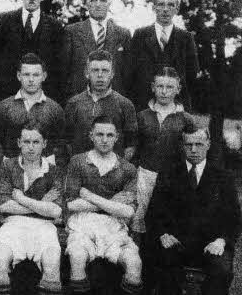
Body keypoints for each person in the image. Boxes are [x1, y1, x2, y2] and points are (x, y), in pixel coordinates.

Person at [146, 126, 241, 295]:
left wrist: (221, 241)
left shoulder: (223, 177)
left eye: (199, 144)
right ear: (182, 146)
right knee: (163, 264)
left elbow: (234, 218)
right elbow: (153, 212)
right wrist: (163, 234)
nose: (194, 149)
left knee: (221, 271)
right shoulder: (169, 174)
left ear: (208, 144)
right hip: (176, 241)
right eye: (189, 145)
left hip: (211, 243)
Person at [64, 115, 142, 295]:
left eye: (109, 135)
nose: (104, 140)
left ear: (117, 137)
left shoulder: (127, 168)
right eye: (99, 134)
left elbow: (129, 211)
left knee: (134, 262)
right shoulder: (78, 161)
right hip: (83, 223)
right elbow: (71, 204)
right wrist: (112, 203)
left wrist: (89, 196)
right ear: (91, 135)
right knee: (77, 257)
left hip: (114, 225)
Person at [0, 123, 63, 295]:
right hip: (12, 224)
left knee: (52, 267)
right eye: (26, 141)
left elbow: (55, 211)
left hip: (45, 227)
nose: (31, 147)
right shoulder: (8, 166)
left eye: (36, 142)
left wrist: (21, 199)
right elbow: (4, 205)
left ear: (44, 143)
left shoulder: (54, 171)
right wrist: (41, 205)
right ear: (19, 142)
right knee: (0, 262)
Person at [131, 67, 194, 234]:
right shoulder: (142, 116)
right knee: (139, 222)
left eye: (170, 87)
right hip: (144, 176)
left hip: (173, 178)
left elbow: (192, 151)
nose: (164, 92)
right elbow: (135, 150)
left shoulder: (186, 119)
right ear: (153, 87)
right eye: (160, 86)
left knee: (166, 223)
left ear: (178, 89)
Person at [0, 0, 64, 100]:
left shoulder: (55, 27)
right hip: (8, 94)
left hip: (43, 96)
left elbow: (58, 67)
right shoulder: (5, 21)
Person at [127, 0, 200, 111]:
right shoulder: (140, 35)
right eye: (161, 4)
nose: (165, 9)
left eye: (170, 5)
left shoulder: (186, 38)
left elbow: (192, 75)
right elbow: (130, 72)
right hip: (143, 106)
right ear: (154, 8)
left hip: (176, 107)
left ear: (176, 9)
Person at [65, 50, 137, 159]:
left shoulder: (125, 105)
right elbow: (67, 142)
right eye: (95, 70)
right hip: (82, 171)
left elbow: (130, 145)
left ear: (112, 74)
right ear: (86, 73)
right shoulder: (74, 103)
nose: (100, 75)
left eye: (105, 70)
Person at [62, 0, 131, 98]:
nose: (98, 4)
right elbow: (64, 71)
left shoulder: (123, 34)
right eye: (93, 0)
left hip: (114, 100)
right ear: (86, 4)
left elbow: (128, 73)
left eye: (103, 0)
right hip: (80, 100)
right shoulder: (72, 32)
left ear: (109, 4)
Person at [0, 53, 65, 163]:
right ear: (19, 76)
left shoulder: (55, 109)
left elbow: (60, 148)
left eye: (36, 75)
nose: (31, 79)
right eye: (26, 74)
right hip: (12, 171)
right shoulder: (4, 107)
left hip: (45, 173)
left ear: (44, 76)